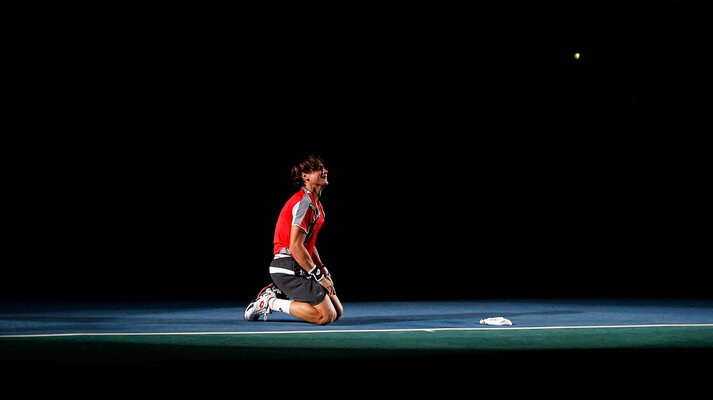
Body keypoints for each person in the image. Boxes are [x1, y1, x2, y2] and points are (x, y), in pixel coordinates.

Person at [244, 154, 343, 325]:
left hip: (301, 266)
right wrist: (318, 276)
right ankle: (268, 302)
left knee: (337, 312)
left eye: (324, 168)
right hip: (286, 266)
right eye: (319, 169)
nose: (325, 171)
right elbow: (295, 246)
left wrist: (323, 269)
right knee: (325, 316)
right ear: (305, 176)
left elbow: (308, 244)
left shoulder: (317, 206)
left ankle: (280, 292)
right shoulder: (304, 202)